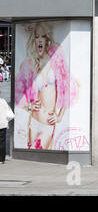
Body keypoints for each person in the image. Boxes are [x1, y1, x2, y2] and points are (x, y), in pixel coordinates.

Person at [15, 22, 77, 150]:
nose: (39, 40)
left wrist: (59, 116)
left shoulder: (56, 60)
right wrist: (28, 106)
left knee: (37, 150)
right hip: (34, 121)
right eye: (37, 36)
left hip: (48, 123)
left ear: (47, 39)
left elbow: (67, 87)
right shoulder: (30, 64)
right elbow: (18, 91)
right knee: (33, 157)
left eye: (42, 36)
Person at [0, 91, 14, 164]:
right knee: (2, 142)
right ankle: (2, 160)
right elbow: (10, 115)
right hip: (3, 125)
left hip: (2, 124)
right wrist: (5, 121)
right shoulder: (4, 101)